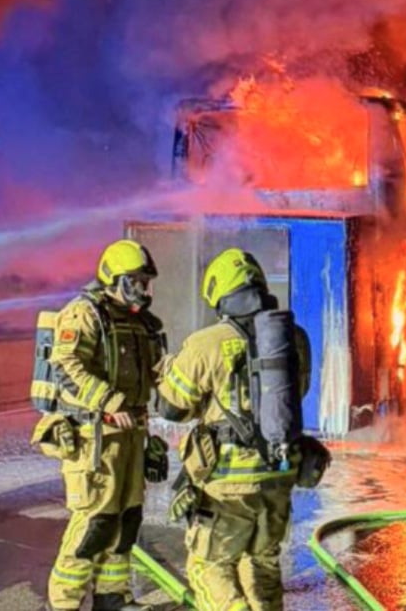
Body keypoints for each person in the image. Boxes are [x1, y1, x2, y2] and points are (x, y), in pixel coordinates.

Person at [155, 248, 321, 611]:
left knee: (209, 566)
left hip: (227, 483)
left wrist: (168, 370)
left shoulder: (205, 344)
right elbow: (299, 392)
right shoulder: (294, 337)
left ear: (219, 295)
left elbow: (172, 408)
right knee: (262, 565)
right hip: (279, 473)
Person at [41, 239, 166, 611]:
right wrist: (110, 402)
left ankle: (113, 598)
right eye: (136, 281)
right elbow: (66, 365)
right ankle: (64, 603)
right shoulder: (85, 313)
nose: (143, 289)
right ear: (114, 278)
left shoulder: (140, 321)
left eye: (145, 281)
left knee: (126, 521)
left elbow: (157, 370)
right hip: (94, 436)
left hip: (130, 435)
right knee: (94, 523)